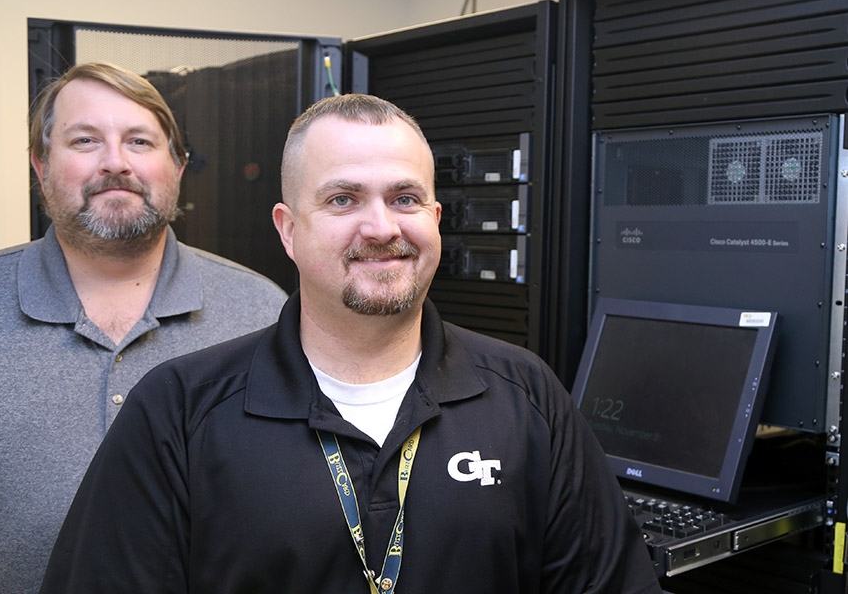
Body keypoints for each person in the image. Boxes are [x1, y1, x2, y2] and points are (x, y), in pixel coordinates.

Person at [39, 93, 661, 593]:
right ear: (289, 230)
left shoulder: (527, 398)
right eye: (343, 199)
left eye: (405, 198)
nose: (382, 227)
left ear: (436, 221)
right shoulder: (180, 410)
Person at [0, 62, 287, 594]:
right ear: (41, 166)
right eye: (84, 141)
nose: (116, 163)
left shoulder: (265, 313)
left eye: (139, 141)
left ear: (176, 166)